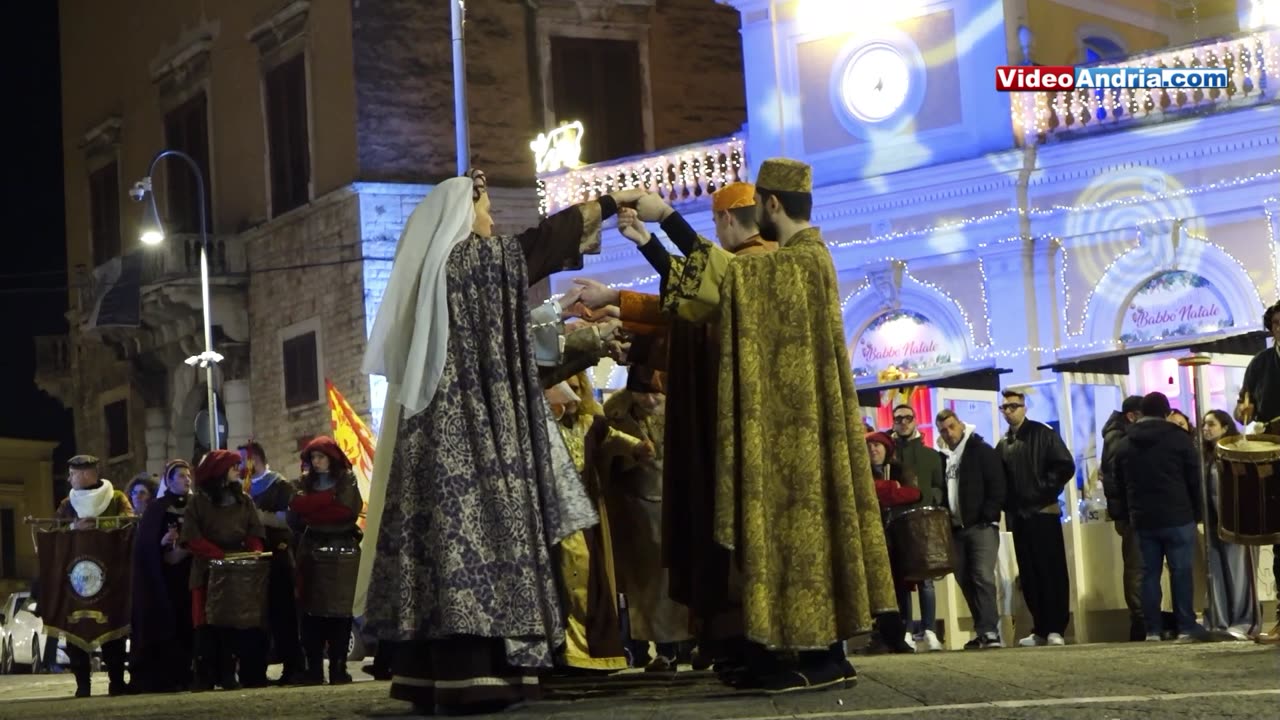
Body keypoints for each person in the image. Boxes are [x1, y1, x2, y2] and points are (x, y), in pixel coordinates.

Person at [608, 158, 895, 693]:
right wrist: (654, 237)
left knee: (802, 538)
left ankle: (821, 656)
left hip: (796, 436)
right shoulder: (800, 261)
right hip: (798, 430)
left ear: (771, 205)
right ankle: (818, 654)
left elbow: (724, 279)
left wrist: (668, 216)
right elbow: (705, 293)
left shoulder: (795, 264)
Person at [360, 169, 640, 715]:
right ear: (464, 213)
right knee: (482, 537)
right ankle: (478, 673)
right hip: (472, 429)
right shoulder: (468, 262)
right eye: (485, 208)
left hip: (433, 433)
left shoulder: (434, 275)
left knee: (437, 546)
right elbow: (540, 243)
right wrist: (613, 202)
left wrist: (590, 339)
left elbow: (523, 341)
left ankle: (427, 675)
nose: (492, 221)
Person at [567, 182, 778, 675]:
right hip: (711, 422)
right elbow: (683, 309)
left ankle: (746, 637)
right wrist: (643, 250)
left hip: (733, 423)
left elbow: (699, 291)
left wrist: (665, 220)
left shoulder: (757, 263)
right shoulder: (742, 266)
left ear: (726, 220)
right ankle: (722, 637)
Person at [547, 373, 648, 673]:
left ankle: (585, 651)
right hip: (552, 515)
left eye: (578, 390)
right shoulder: (544, 426)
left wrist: (638, 448)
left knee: (583, 576)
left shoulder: (591, 425)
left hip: (583, 514)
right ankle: (563, 650)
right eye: (567, 391)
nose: (573, 398)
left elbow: (618, 440)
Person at [599, 368, 692, 672]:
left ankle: (674, 646)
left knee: (665, 583)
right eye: (644, 392)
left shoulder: (678, 410)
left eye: (656, 392)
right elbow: (606, 453)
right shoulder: (616, 414)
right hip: (633, 509)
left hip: (671, 505)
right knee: (639, 585)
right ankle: (640, 646)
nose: (651, 400)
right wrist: (630, 452)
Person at [1112, 392, 1207, 642]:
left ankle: (1152, 629)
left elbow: (1118, 484)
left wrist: (1125, 515)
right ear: (1166, 413)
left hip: (1143, 520)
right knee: (1181, 572)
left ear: (1141, 413)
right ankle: (1186, 625)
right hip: (1178, 515)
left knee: (1149, 574)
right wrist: (1198, 512)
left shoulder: (1125, 442)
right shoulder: (1179, 439)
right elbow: (1194, 479)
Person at [181, 449, 268, 691]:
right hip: (206, 571)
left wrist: (254, 549)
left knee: (231, 625)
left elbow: (253, 530)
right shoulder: (198, 502)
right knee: (206, 626)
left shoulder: (244, 501)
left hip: (236, 572)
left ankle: (230, 675)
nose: (238, 472)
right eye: (233, 467)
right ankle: (204, 677)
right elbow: (192, 537)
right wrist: (216, 554)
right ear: (220, 472)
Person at [995, 388, 1075, 647]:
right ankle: (1041, 627)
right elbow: (1000, 480)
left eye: (1013, 406)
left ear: (1024, 407)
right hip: (1019, 516)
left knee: (1050, 570)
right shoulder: (1004, 444)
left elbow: (1064, 465)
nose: (1009, 411)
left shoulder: (1042, 434)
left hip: (1043, 512)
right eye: (1005, 407)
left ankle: (1055, 627)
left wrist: (1042, 491)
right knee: (1029, 574)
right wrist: (1009, 503)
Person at [56, 454, 133, 697]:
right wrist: (73, 528)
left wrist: (101, 525)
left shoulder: (117, 498)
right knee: (77, 629)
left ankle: (117, 681)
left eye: (72, 473)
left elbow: (129, 522)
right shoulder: (67, 504)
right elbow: (56, 532)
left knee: (113, 628)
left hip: (110, 573)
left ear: (87, 473)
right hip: (78, 576)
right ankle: (82, 684)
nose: (69, 478)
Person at [290, 436, 364, 686]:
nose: (316, 461)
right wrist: (326, 500)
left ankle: (338, 669)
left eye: (320, 457)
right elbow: (298, 507)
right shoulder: (304, 482)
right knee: (311, 613)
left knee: (340, 614)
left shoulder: (346, 479)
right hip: (311, 553)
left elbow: (345, 511)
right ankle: (313, 670)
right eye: (313, 457)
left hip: (341, 553)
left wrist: (315, 509)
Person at [935, 409, 1007, 650]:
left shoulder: (981, 451)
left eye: (951, 427)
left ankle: (991, 631)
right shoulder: (946, 458)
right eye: (943, 430)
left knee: (982, 577)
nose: (948, 433)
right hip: (956, 529)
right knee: (965, 579)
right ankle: (983, 629)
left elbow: (997, 484)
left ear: (961, 426)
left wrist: (989, 514)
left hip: (981, 526)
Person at [1233, 301, 1280, 645]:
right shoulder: (1260, 364)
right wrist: (1243, 411)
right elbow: (1243, 409)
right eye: (1276, 323)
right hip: (1274, 453)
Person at [238, 441, 304, 685]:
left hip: (276, 557)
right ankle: (254, 671)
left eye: (243, 460)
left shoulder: (279, 485)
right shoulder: (239, 489)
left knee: (282, 614)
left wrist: (257, 516)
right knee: (254, 618)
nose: (240, 465)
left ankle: (293, 667)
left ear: (254, 459)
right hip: (252, 560)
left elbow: (288, 521)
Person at [129, 460, 196, 693]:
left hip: (192, 572)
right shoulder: (157, 508)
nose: (186, 480)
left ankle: (191, 673)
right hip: (166, 580)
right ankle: (167, 676)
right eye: (181, 476)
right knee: (169, 624)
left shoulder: (196, 505)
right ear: (169, 481)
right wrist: (162, 544)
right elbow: (145, 547)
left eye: (188, 476)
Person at [887, 403, 945, 651]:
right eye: (898, 419)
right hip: (898, 522)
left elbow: (939, 486)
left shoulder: (930, 455)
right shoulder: (890, 456)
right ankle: (907, 629)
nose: (903, 422)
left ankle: (930, 629)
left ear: (915, 420)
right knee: (903, 579)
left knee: (927, 579)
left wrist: (930, 498)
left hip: (925, 521)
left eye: (908, 418)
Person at [1200, 410, 1261, 639]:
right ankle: (1220, 620)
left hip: (1238, 524)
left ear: (1225, 427)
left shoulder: (1237, 452)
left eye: (1211, 424)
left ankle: (1245, 622)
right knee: (1217, 572)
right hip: (1216, 524)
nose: (1206, 428)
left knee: (1240, 574)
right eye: (1204, 424)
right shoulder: (1207, 457)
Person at [864, 432, 924, 655]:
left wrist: (888, 491)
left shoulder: (899, 470)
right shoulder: (861, 472)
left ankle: (898, 635)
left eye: (877, 445)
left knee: (898, 590)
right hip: (872, 539)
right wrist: (891, 488)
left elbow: (915, 493)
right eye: (869, 446)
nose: (873, 450)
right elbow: (869, 493)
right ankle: (880, 635)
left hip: (896, 540)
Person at [1100, 395, 1145, 641]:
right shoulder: (1121, 439)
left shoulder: (1117, 435)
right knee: (1137, 569)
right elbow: (1116, 479)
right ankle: (1141, 622)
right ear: (1132, 416)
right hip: (1131, 513)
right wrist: (1122, 513)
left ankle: (1143, 620)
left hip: (1129, 512)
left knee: (1138, 568)